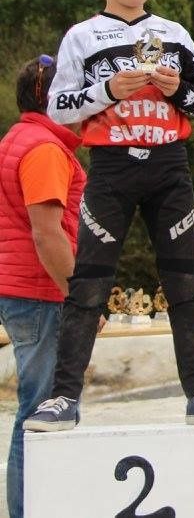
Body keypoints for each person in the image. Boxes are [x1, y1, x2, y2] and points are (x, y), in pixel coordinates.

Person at [24, 0, 194, 431]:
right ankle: (64, 398)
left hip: (169, 166)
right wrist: (109, 89)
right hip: (112, 167)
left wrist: (177, 88)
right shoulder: (82, 36)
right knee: (88, 283)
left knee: (184, 281)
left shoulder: (174, 33)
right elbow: (58, 107)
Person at [0, 56, 86, 517]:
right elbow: (46, 234)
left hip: (23, 290)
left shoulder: (19, 138)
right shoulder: (46, 150)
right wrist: (79, 299)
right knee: (42, 413)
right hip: (41, 293)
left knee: (36, 410)